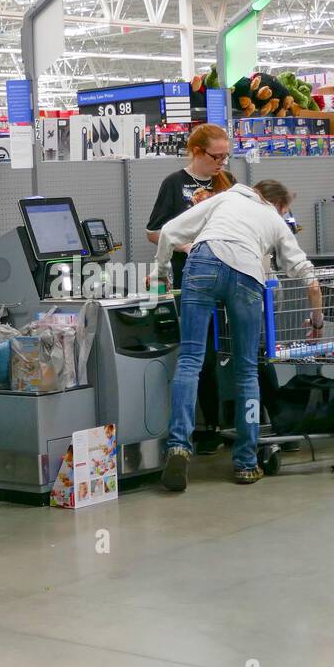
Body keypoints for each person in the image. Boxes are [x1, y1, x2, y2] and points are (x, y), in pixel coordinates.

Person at [155, 180, 322, 489]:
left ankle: (178, 446)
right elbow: (303, 271)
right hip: (247, 274)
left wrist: (160, 273)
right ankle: (246, 463)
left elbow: (168, 232)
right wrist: (317, 315)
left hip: (203, 263)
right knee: (247, 369)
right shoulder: (272, 217)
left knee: (190, 359)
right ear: (274, 204)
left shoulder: (224, 200)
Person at [146, 123, 237, 454]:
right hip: (193, 279)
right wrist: (184, 246)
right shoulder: (174, 184)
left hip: (232, 275)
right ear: (197, 152)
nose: (222, 163)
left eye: (226, 156)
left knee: (243, 349)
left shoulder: (229, 183)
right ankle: (208, 426)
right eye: (217, 156)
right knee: (204, 355)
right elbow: (154, 231)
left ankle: (247, 423)